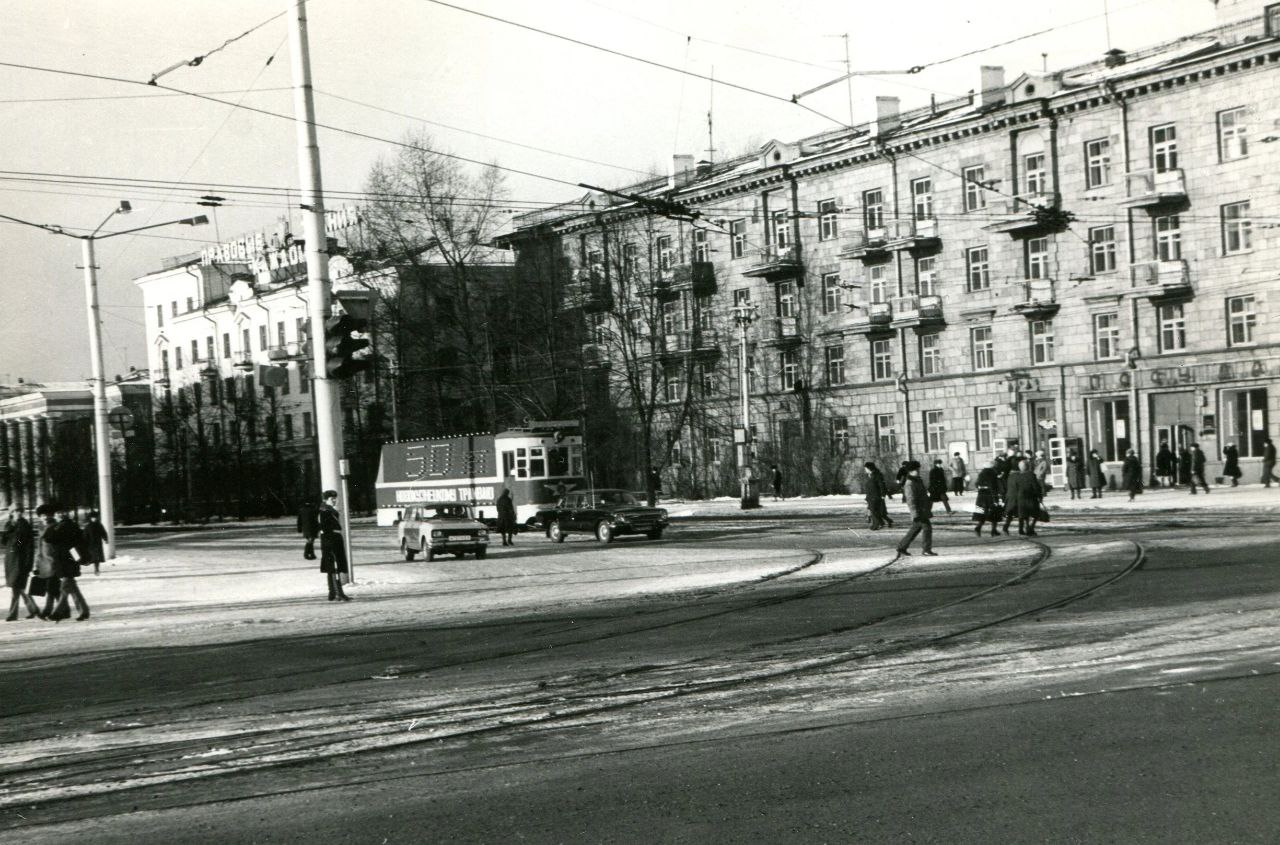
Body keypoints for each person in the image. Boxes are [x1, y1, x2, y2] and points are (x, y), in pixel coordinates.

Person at [46, 505, 90, 622]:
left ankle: (58, 611)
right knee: (72, 587)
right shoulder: (65, 526)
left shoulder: (63, 527)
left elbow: (49, 538)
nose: (60, 515)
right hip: (65, 560)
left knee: (65, 586)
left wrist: (51, 527)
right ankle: (84, 611)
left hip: (66, 560)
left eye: (61, 513)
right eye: (58, 513)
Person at [4, 506, 40, 621]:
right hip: (10, 560)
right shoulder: (9, 524)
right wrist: (7, 531)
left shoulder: (24, 525)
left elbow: (25, 543)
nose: (18, 513)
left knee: (16, 586)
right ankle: (33, 609)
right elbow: (4, 542)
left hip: (20, 560)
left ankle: (12, 614)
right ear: (11, 512)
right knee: (21, 587)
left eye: (20, 511)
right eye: (15, 511)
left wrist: (28, 562)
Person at [895, 461, 936, 557]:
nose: (918, 471)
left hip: (923, 509)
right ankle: (926, 550)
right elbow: (910, 499)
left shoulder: (917, 480)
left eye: (918, 469)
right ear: (910, 471)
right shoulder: (909, 483)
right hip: (918, 510)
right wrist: (915, 513)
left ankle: (902, 547)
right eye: (915, 469)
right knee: (927, 528)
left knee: (915, 529)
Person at [318, 490, 350, 601]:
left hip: (332, 539)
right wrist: (329, 543)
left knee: (332, 566)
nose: (335, 500)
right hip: (330, 540)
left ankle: (332, 592)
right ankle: (338, 592)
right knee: (334, 566)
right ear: (325, 500)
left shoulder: (327, 509)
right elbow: (324, 528)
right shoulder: (324, 511)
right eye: (332, 499)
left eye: (335, 498)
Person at [1002, 459, 1043, 536]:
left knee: (1016, 513)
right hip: (1026, 498)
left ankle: (1008, 527)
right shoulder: (1030, 475)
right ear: (1028, 466)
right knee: (1035, 513)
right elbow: (1036, 487)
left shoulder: (1012, 476)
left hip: (1013, 499)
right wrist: (1039, 497)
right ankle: (1029, 528)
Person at [972, 459, 1003, 538]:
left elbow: (976, 484)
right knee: (994, 513)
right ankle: (993, 530)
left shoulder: (981, 473)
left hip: (981, 496)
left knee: (982, 513)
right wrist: (996, 499)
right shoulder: (992, 473)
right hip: (990, 496)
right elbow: (993, 486)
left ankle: (978, 528)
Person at [82, 511, 109, 575]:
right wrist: (84, 543)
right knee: (92, 557)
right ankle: (91, 565)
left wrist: (105, 539)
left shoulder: (99, 525)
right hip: (90, 544)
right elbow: (85, 535)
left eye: (95, 517)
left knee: (96, 557)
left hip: (98, 543)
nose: (94, 519)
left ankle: (96, 569)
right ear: (90, 518)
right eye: (92, 518)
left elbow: (103, 532)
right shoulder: (88, 526)